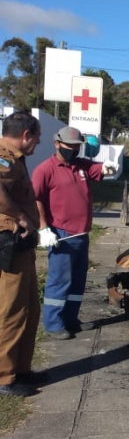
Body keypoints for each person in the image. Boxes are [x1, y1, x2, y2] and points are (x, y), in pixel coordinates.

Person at [31, 126, 118, 340]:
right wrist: (43, 227)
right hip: (62, 235)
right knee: (59, 281)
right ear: (57, 143)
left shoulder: (80, 165)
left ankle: (71, 319)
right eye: (69, 146)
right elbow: (36, 199)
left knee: (78, 281)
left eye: (77, 146)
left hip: (81, 234)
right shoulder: (45, 170)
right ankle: (53, 324)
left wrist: (107, 167)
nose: (73, 149)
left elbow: (97, 170)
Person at [0, 112, 43, 396]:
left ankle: (21, 369)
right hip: (10, 245)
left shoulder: (15, 158)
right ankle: (4, 377)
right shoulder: (4, 157)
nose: (37, 144)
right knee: (12, 310)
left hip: (22, 247)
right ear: (26, 135)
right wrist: (21, 217)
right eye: (37, 138)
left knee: (29, 307)